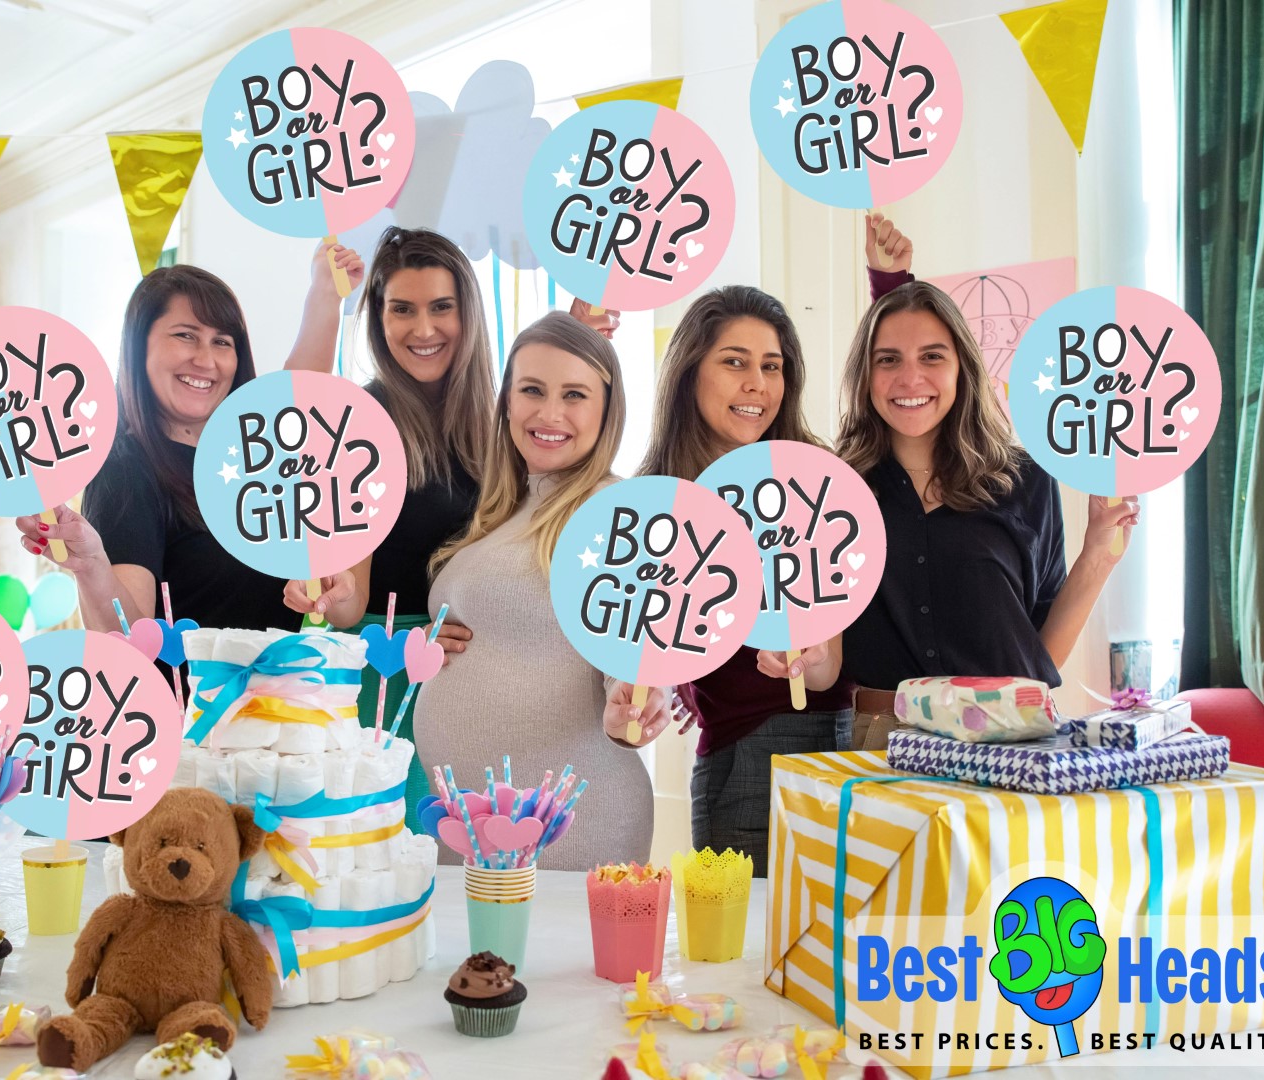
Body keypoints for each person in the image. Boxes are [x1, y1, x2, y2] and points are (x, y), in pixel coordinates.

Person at [285, 231, 616, 827]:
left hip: (506, 706)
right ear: (376, 319)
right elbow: (350, 599)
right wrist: (352, 611)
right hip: (387, 679)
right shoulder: (362, 420)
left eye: (442, 307)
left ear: (468, 313)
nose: (423, 328)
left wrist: (574, 338)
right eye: (401, 309)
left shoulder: (499, 420)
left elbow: (552, 482)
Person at [757, 277, 1141, 749]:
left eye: (932, 357)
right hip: (885, 743)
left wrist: (1098, 555)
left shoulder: (1026, 479)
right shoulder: (831, 491)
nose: (910, 378)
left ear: (962, 367)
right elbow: (825, 671)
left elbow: (1042, 655)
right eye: (888, 360)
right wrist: (800, 654)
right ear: (866, 375)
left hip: (1012, 741)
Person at [413, 312, 669, 870]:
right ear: (506, 401)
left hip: (571, 824)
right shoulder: (504, 511)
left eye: (574, 394)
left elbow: (632, 653)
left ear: (607, 412)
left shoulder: (618, 514)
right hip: (473, 826)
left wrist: (632, 700)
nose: (549, 413)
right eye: (532, 390)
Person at [13, 265, 367, 634]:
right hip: (182, 693)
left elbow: (303, 388)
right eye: (185, 335)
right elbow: (129, 636)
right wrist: (91, 566)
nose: (206, 360)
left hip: (279, 690)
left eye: (222, 342)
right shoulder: (125, 469)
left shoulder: (260, 454)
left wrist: (325, 292)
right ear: (139, 346)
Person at [636, 284, 846, 875]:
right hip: (739, 759)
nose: (757, 383)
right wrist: (667, 679)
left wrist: (811, 653)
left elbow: (830, 668)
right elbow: (646, 643)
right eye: (734, 362)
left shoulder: (812, 481)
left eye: (772, 366)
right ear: (689, 373)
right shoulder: (659, 503)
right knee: (745, 959)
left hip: (836, 743)